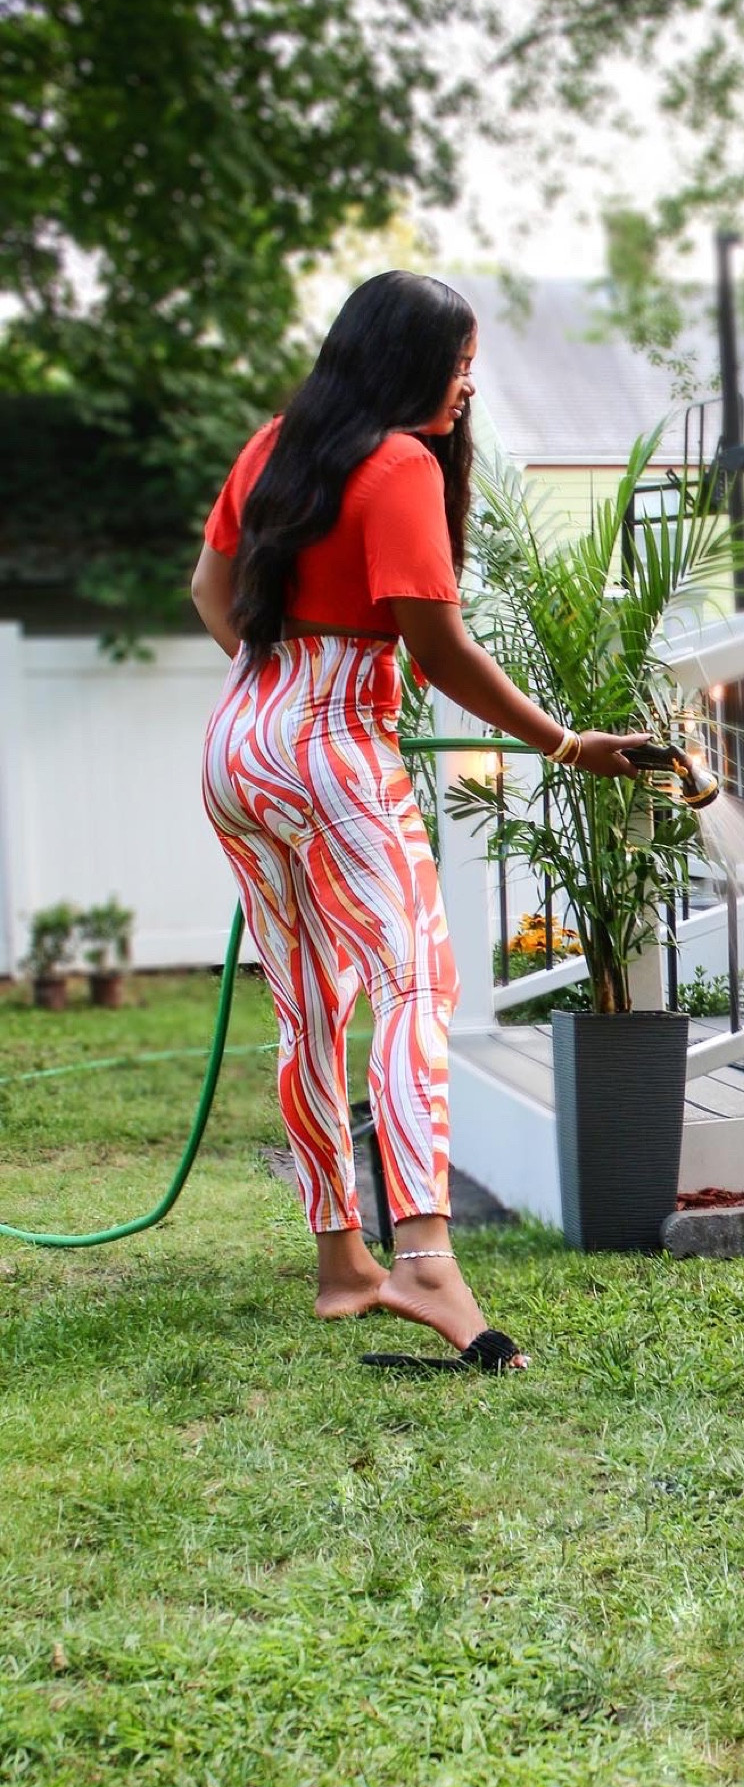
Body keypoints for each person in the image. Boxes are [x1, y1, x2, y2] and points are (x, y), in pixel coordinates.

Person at [191, 271, 645, 1373]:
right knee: (413, 983)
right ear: (405, 362)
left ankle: (342, 1261)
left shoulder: (273, 444)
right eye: (454, 363)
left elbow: (210, 590)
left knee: (306, 1000)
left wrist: (275, 702)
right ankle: (428, 1252)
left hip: (238, 734)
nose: (466, 382)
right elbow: (438, 652)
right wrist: (566, 743)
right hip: (337, 735)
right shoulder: (395, 464)